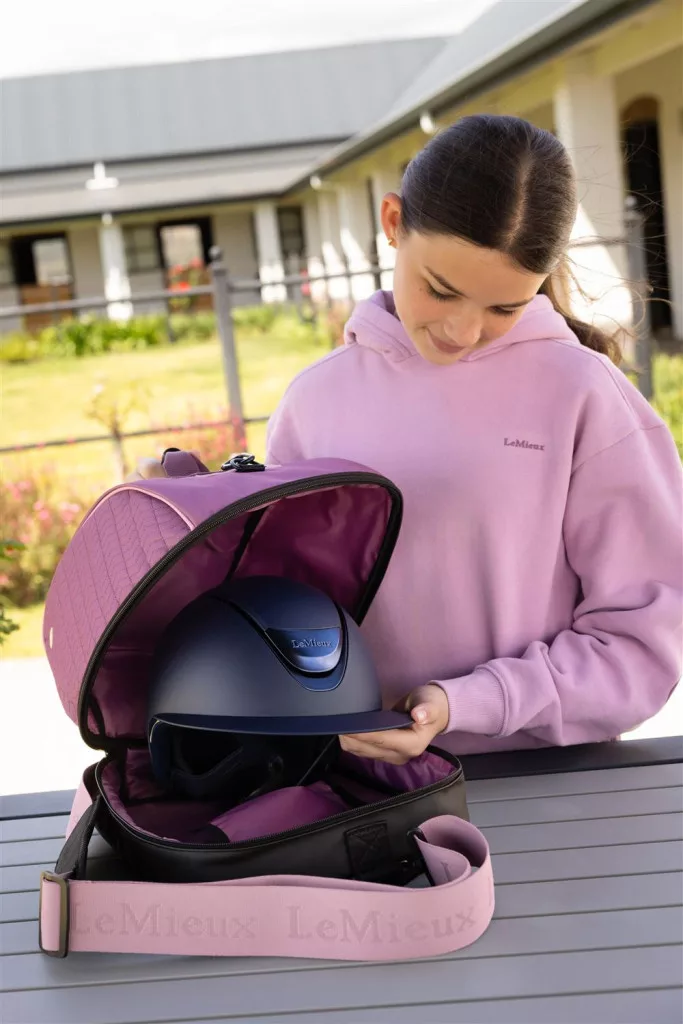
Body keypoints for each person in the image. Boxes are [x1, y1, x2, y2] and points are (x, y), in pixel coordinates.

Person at [130, 114, 683, 765]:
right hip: (353, 787)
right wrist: (201, 521)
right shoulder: (316, 399)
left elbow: (642, 644)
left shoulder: (583, 395)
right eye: (441, 290)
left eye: (503, 308)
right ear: (392, 223)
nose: (462, 332)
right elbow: (285, 616)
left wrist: (470, 701)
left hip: (545, 778)